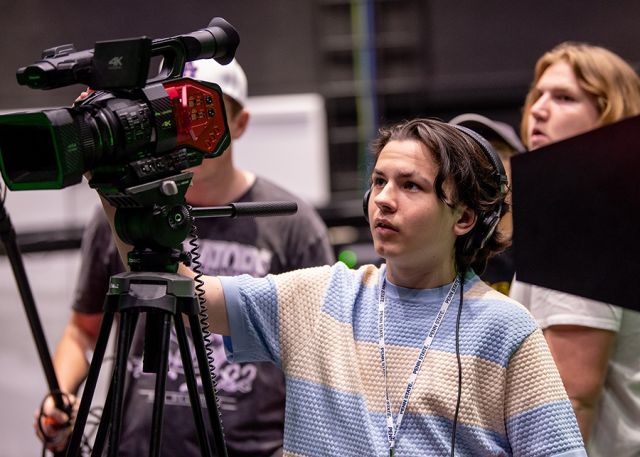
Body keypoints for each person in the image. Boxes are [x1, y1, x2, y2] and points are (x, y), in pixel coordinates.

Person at [165, 118, 585, 456]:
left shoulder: (507, 329)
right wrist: (120, 195)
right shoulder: (317, 296)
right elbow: (188, 297)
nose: (383, 198)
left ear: (464, 218)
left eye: (410, 185)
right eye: (379, 181)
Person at [35, 58, 335, 457]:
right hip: (137, 446)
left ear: (240, 124)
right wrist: (58, 396)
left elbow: (322, 354)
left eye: (203, 113)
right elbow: (82, 331)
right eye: (172, 113)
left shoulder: (292, 225)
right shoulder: (123, 213)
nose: (186, 130)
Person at [509, 41, 640, 457]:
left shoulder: (581, 212)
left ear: (610, 115)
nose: (539, 110)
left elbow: (570, 394)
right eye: (539, 95)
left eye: (565, 98)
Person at [449, 113, 525, 295]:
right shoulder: (429, 247)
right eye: (471, 155)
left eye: (497, 152)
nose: (486, 163)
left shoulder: (543, 247)